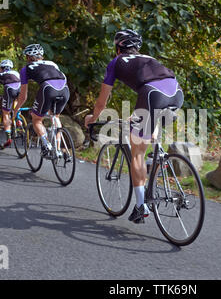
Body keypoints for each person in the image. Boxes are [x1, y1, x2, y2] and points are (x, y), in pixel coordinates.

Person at [84, 29, 184, 223]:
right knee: (149, 138)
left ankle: (140, 206)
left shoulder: (116, 62)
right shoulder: (149, 58)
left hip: (151, 95)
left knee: (137, 151)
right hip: (176, 93)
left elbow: (102, 102)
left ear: (118, 47)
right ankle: (153, 167)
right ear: (137, 47)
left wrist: (93, 117)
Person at [14, 44, 70, 157]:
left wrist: (15, 110)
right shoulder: (52, 63)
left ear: (29, 57)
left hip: (48, 88)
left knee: (36, 119)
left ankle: (47, 144)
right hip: (64, 88)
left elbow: (23, 96)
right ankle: (58, 149)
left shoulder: (25, 69)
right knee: (55, 116)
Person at [0, 59, 22, 148]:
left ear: (1, 68)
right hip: (20, 89)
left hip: (9, 89)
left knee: (5, 113)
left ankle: (8, 137)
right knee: (16, 102)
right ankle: (19, 120)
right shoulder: (16, 72)